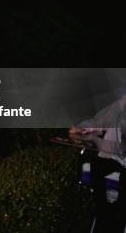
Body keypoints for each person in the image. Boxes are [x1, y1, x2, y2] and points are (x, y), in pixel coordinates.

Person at [69, 94, 126, 232]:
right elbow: (96, 122)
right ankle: (104, 213)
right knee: (97, 166)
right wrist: (81, 131)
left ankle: (119, 214)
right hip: (114, 159)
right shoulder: (120, 106)